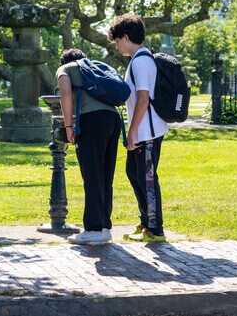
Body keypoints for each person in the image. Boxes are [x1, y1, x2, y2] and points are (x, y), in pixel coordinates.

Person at [107, 14, 168, 242]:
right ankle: (146, 222)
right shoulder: (138, 60)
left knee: (147, 179)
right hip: (143, 131)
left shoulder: (141, 61)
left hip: (147, 133)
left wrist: (132, 131)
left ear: (125, 37)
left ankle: (156, 229)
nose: (116, 45)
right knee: (135, 174)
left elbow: (143, 99)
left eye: (117, 41)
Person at [56, 49, 123, 245]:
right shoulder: (94, 67)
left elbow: (66, 95)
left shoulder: (64, 69)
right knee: (105, 175)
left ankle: (93, 229)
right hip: (113, 119)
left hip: (92, 121)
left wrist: (68, 126)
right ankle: (103, 227)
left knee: (92, 175)